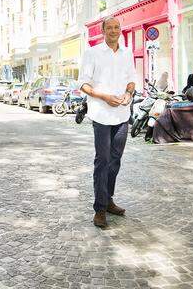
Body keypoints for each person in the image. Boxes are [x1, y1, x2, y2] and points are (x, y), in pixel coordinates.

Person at [78, 16, 136, 228]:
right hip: (101, 114)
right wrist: (104, 96)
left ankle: (109, 199)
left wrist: (129, 95)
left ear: (121, 30)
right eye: (109, 28)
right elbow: (83, 84)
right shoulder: (92, 53)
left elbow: (131, 79)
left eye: (116, 27)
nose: (113, 31)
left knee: (115, 160)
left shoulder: (127, 52)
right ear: (103, 31)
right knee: (102, 160)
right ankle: (100, 209)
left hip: (122, 114)